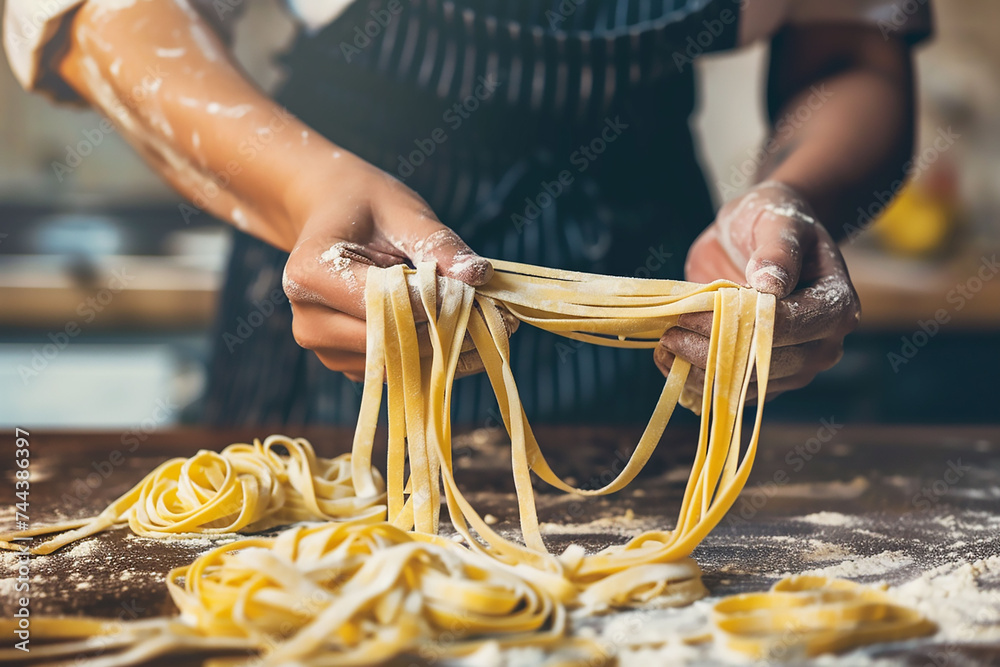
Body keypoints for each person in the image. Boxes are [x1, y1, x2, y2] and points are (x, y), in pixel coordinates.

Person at [4, 0, 931, 426]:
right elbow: (98, 14)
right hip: (340, 237)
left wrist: (794, 193)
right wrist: (304, 191)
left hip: (652, 268)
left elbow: (854, 42)